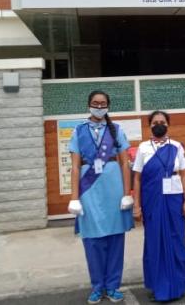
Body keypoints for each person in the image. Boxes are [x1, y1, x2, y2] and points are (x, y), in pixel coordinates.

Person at [67, 90, 134, 304]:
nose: (99, 106)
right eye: (95, 103)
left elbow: (125, 163)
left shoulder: (116, 130)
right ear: (89, 104)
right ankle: (97, 286)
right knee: (92, 239)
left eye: (103, 103)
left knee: (115, 238)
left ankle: (113, 286)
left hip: (113, 186)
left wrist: (127, 193)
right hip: (89, 189)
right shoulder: (79, 130)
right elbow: (75, 166)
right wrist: (74, 197)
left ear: (108, 105)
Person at [132, 111, 185, 302]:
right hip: (151, 200)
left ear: (168, 125)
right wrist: (136, 205)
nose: (159, 125)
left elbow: (184, 174)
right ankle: (158, 286)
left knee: (176, 240)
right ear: (149, 126)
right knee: (154, 242)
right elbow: (137, 178)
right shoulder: (143, 148)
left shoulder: (176, 146)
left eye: (162, 122)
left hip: (174, 200)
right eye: (155, 122)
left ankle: (178, 285)